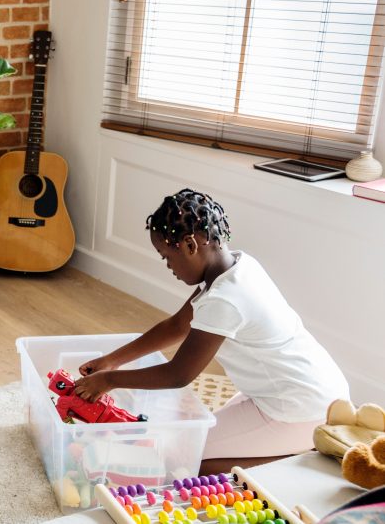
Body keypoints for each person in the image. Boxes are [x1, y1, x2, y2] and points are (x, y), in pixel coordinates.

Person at [74, 188, 349, 475]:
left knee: (187, 463)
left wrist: (109, 381)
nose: (169, 266)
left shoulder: (225, 299)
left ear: (191, 245)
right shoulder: (239, 266)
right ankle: (295, 444)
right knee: (189, 444)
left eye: (167, 256)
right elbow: (178, 325)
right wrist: (112, 360)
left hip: (299, 409)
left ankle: (297, 461)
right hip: (310, 390)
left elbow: (178, 375)